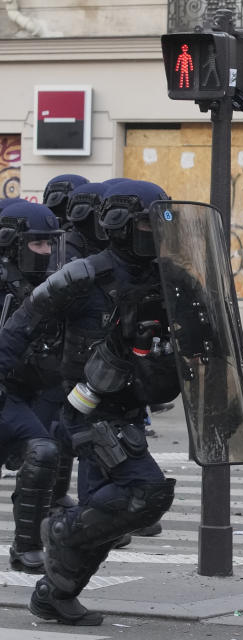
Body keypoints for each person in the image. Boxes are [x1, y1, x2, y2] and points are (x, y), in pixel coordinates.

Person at [0, 180, 179, 625]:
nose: (156, 231)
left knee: (106, 514)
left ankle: (56, 593)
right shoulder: (80, 278)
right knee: (146, 494)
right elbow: (16, 332)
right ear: (119, 227)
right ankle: (57, 531)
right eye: (147, 222)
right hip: (86, 410)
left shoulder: (168, 278)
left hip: (131, 408)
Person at [0, 201, 64, 573]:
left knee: (42, 451)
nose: (46, 252)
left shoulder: (42, 289)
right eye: (38, 244)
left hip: (15, 397)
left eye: (49, 244)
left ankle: (26, 547)